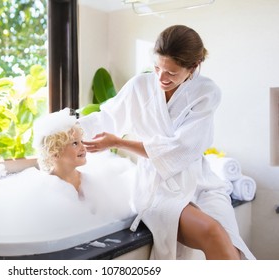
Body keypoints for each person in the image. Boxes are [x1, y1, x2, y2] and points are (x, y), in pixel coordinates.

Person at [79, 25, 255, 260]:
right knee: (213, 233)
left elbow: (181, 149)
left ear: (193, 68)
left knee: (233, 248)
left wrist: (120, 143)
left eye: (171, 73)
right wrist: (68, 128)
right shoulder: (139, 86)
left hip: (201, 183)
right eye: (157, 68)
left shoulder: (206, 92)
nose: (161, 78)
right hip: (157, 186)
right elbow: (107, 118)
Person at [0, 109, 136, 248]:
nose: (83, 148)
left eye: (81, 140)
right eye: (75, 143)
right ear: (55, 152)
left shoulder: (92, 182)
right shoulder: (44, 191)